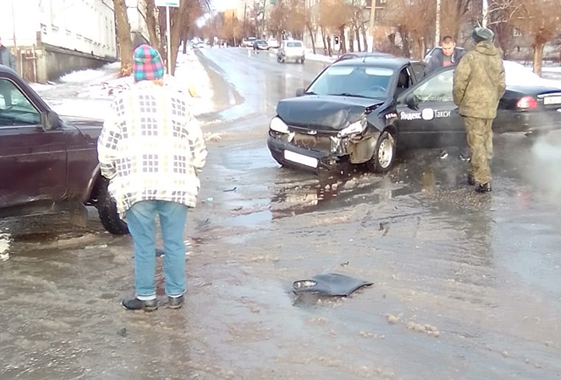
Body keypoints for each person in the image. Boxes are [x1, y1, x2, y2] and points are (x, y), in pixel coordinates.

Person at [98, 44, 207, 311]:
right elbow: (197, 146)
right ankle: (175, 295)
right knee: (174, 242)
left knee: (144, 243)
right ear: (159, 72)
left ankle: (146, 297)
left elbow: (107, 148)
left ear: (136, 74)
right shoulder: (178, 100)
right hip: (176, 185)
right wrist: (194, 171)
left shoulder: (121, 103)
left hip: (137, 187)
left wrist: (112, 176)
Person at [453, 27, 505, 193]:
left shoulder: (470, 58)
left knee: (476, 144)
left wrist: (459, 101)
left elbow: (459, 83)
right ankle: (473, 173)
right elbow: (501, 86)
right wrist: (492, 100)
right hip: (489, 108)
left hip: (472, 108)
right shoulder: (497, 59)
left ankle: (483, 180)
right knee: (484, 141)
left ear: (476, 40)